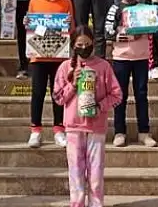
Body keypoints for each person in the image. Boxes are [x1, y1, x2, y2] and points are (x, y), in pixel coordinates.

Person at [53, 26, 123, 207]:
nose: (84, 48)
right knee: (75, 172)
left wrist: (100, 107)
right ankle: (77, 203)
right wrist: (73, 84)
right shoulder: (65, 67)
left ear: (93, 43)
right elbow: (58, 98)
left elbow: (117, 95)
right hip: (73, 127)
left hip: (96, 127)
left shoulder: (103, 66)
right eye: (79, 44)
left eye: (87, 44)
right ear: (73, 45)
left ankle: (96, 204)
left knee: (96, 173)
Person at [104, 0, 156, 147]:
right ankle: (119, 131)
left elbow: (154, 27)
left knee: (141, 95)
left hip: (141, 57)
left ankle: (144, 132)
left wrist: (148, 28)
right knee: (120, 95)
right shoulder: (115, 9)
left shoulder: (145, 8)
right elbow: (107, 32)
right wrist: (127, 34)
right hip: (121, 58)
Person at [24, 0, 74, 148]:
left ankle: (59, 130)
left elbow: (72, 29)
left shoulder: (66, 2)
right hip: (38, 55)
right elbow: (31, 27)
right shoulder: (34, 1)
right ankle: (35, 131)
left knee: (58, 94)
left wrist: (68, 24)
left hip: (59, 57)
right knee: (37, 93)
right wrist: (27, 23)